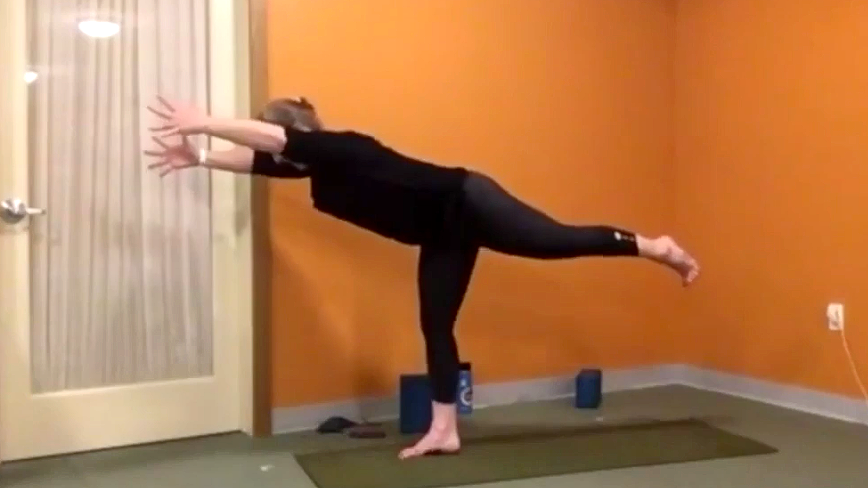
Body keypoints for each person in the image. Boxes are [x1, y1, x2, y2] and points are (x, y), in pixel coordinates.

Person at [143, 96, 700, 460]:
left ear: (295, 136)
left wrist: (205, 121)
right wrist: (201, 158)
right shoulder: (311, 170)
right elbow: (262, 160)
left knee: (555, 241)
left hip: (468, 200)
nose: (276, 159)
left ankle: (654, 246)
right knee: (435, 324)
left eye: (276, 142)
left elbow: (276, 145)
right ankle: (444, 429)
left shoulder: (341, 148)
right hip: (442, 234)